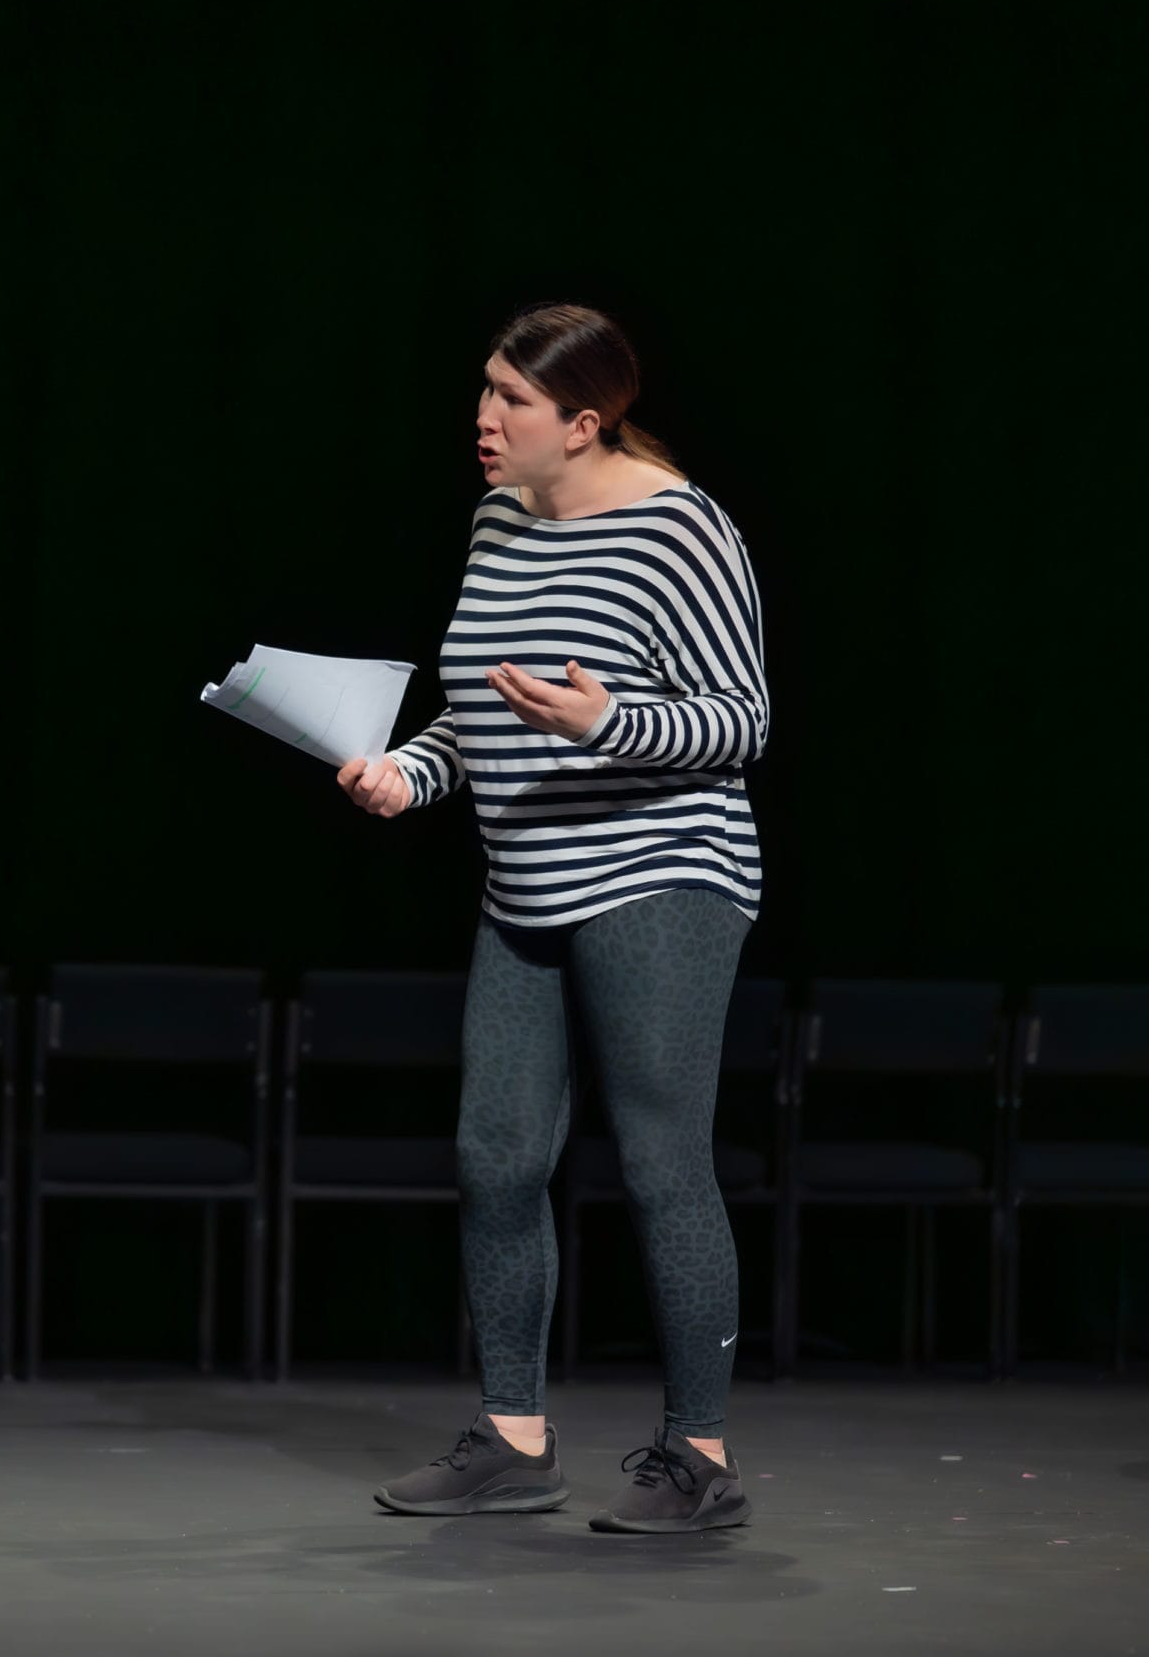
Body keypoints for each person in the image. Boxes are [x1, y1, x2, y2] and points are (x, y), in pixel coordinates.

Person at [341, 304, 769, 1534]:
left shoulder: (677, 529)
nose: (484, 419)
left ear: (582, 425)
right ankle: (515, 1436)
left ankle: (700, 1451)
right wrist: (408, 773)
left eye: (512, 402)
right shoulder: (498, 521)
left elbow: (739, 719)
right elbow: (482, 713)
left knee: (658, 1160)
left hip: (660, 874)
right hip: (523, 881)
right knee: (495, 1153)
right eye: (482, 391)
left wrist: (607, 723)